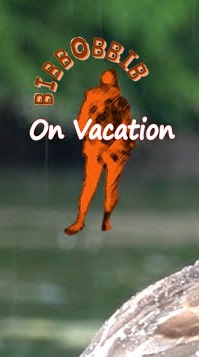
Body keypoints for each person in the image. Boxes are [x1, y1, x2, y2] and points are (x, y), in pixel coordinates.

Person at [65, 69, 135, 235]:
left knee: (109, 187)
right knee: (91, 184)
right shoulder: (92, 100)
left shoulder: (122, 104)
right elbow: (81, 122)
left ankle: (105, 220)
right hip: (96, 147)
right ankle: (81, 219)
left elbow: (127, 128)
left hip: (113, 150)